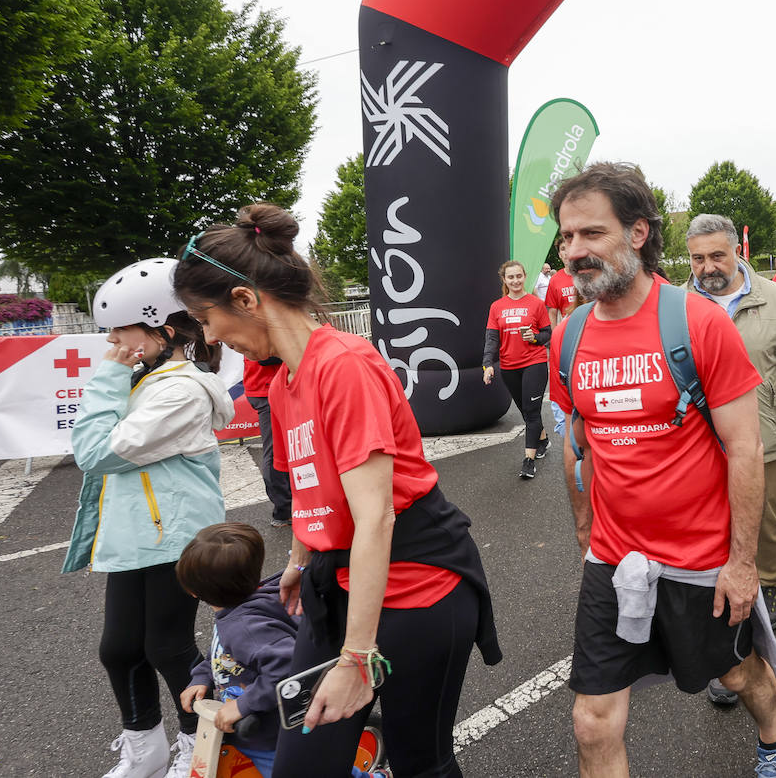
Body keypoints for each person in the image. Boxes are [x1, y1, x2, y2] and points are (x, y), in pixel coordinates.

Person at [173, 203, 501, 778]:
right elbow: (308, 485)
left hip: (418, 588)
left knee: (419, 759)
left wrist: (356, 657)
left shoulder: (344, 365)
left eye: (205, 318)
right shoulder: (287, 379)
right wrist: (302, 555)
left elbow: (375, 518)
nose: (210, 336)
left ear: (247, 301)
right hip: (338, 582)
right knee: (303, 764)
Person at [548, 163, 776, 778]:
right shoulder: (570, 335)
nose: (574, 252)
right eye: (566, 237)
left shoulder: (697, 322)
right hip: (614, 557)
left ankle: (773, 741)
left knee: (739, 676)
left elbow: (744, 448)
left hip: (701, 559)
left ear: (637, 233)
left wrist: (742, 564)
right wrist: (585, 530)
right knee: (591, 719)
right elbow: (575, 442)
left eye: (590, 235)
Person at [62, 257, 234, 778]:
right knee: (119, 649)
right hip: (136, 536)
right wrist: (120, 373)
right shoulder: (147, 378)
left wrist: (110, 374)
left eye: (120, 329)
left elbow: (96, 452)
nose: (111, 341)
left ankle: (195, 749)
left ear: (162, 328)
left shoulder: (180, 389)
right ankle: (145, 751)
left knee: (168, 648)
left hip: (173, 537)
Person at [685, 213, 776, 703]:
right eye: (698, 258)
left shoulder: (775, 298)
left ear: (735, 251)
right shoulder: (677, 305)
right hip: (698, 445)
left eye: (717, 255)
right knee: (711, 530)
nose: (708, 267)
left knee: (764, 522)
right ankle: (725, 640)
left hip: (762, 436)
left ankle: (771, 580)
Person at [178, 523, 298, 777]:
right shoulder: (235, 611)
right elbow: (222, 655)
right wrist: (202, 677)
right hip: (248, 730)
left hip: (272, 735)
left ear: (193, 591)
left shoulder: (244, 627)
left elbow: (286, 666)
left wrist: (244, 705)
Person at [483, 259, 553, 478]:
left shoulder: (536, 304)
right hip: (509, 366)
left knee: (532, 412)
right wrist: (487, 365)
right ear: (504, 280)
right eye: (510, 277)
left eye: (519, 276)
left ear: (525, 277)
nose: (515, 280)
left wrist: (535, 338)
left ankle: (528, 461)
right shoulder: (497, 306)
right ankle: (543, 440)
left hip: (535, 362)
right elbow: (491, 339)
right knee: (526, 411)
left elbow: (548, 334)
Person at [243, 356, 290, 526]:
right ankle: (284, 510)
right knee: (276, 451)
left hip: (269, 385)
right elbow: (263, 356)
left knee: (286, 447)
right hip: (267, 387)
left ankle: (288, 506)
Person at [546, 239, 581, 439]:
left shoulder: (586, 274)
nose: (566, 252)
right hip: (566, 337)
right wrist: (553, 338)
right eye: (562, 249)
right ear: (559, 254)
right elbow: (552, 312)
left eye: (569, 248)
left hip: (586, 333)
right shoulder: (556, 280)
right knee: (564, 379)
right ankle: (569, 427)